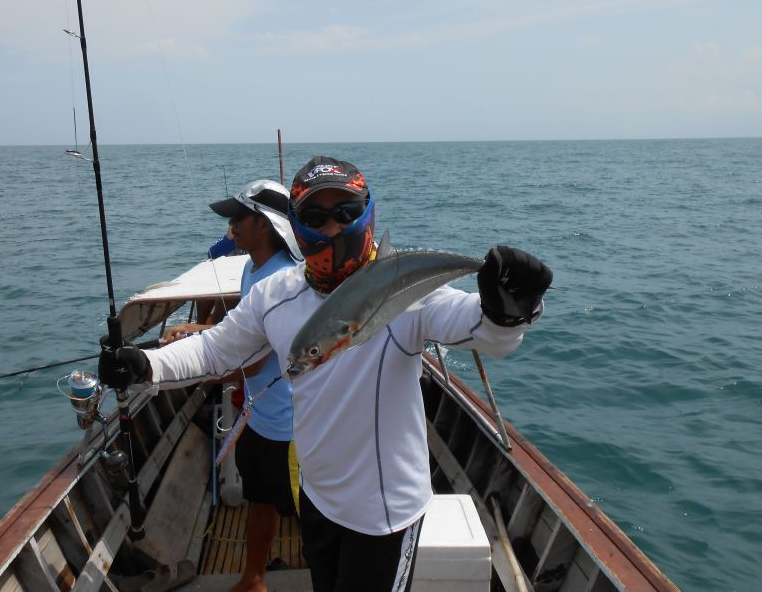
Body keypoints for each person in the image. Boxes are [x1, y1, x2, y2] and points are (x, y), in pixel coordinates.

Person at [100, 157, 552, 592]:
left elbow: (484, 332)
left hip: (385, 515)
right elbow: (217, 348)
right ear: (296, 224)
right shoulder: (277, 294)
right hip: (316, 499)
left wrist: (509, 310)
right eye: (315, 214)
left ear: (366, 214)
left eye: (346, 212)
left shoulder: (405, 294)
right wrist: (148, 364)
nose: (332, 226)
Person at [165, 179, 302, 592]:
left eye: (237, 218)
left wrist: (174, 372)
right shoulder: (250, 268)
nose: (230, 227)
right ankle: (254, 577)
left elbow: (252, 358)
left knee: (309, 511)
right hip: (256, 417)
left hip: (290, 428)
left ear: (264, 225)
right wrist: (192, 330)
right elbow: (238, 331)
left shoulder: (281, 280)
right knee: (259, 498)